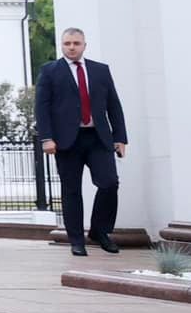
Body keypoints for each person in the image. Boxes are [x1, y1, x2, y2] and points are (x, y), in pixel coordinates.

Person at [35, 27, 127, 257]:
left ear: (84, 45)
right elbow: (42, 108)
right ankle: (76, 239)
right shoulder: (50, 71)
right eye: (67, 43)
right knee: (71, 190)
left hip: (98, 137)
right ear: (62, 45)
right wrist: (47, 138)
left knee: (109, 183)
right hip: (66, 141)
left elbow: (114, 105)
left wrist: (120, 137)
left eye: (76, 43)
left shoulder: (100, 71)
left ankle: (99, 231)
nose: (72, 47)